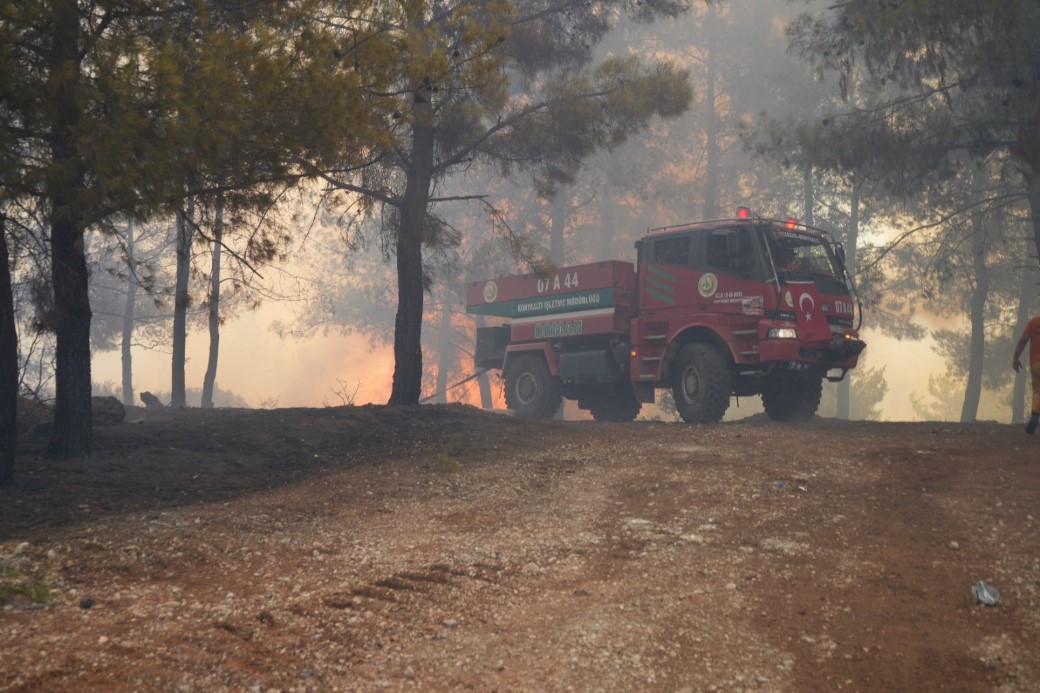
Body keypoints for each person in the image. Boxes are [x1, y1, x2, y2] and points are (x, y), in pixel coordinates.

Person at [1012, 314, 1040, 435]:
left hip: (1035, 364)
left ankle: (1035, 414)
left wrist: (1015, 358)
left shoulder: (1033, 323)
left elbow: (1023, 340)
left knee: (1037, 391)